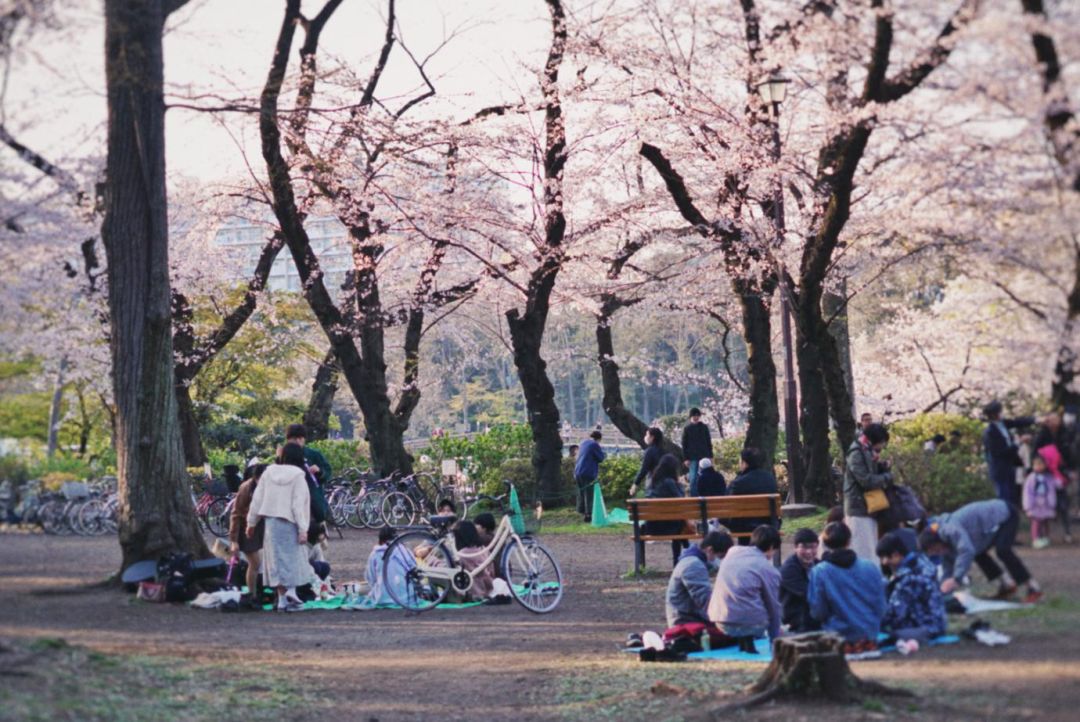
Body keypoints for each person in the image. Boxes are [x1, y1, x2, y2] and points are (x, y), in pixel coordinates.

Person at [919, 498, 1043, 604]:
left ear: (937, 541)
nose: (938, 553)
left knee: (1003, 550)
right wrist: (942, 592)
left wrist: (956, 579)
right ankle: (1007, 585)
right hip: (986, 529)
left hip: (1005, 514)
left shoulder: (950, 529)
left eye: (936, 550)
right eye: (935, 553)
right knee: (978, 553)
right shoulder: (944, 546)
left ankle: (1033, 587)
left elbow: (966, 551)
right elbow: (948, 570)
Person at [246, 442, 311, 612]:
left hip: (271, 523)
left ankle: (282, 600)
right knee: (292, 559)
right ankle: (291, 592)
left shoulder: (268, 473)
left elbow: (257, 499)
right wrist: (303, 529)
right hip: (291, 522)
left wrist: (251, 523)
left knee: (276, 560)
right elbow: (298, 504)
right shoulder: (298, 476)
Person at [808, 522, 886, 655]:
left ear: (825, 543)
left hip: (838, 639)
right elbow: (881, 606)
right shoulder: (870, 566)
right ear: (849, 541)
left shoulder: (820, 572)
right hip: (869, 637)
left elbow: (818, 612)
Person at [707, 525, 783, 643]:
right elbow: (773, 606)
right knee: (768, 612)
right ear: (772, 546)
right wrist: (775, 637)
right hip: (749, 625)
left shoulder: (733, 552)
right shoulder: (767, 568)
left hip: (718, 618)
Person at [876, 531, 946, 644]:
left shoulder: (909, 577)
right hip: (937, 621)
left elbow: (895, 613)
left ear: (896, 554)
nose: (884, 563)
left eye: (885, 557)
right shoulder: (921, 562)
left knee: (888, 636)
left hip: (927, 627)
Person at [843, 422, 893, 563]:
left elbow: (869, 470)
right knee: (863, 550)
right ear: (875, 440)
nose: (882, 446)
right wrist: (887, 477)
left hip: (868, 506)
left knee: (871, 548)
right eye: (882, 442)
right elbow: (866, 480)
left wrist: (882, 466)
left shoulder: (865, 449)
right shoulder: (856, 452)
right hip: (858, 509)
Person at [665, 530, 734, 627]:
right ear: (710, 550)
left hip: (688, 616)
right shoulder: (694, 565)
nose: (721, 561)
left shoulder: (693, 559)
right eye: (721, 557)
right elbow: (705, 602)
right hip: (684, 621)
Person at [981, 401, 1034, 505]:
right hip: (1000, 470)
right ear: (994, 415)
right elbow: (1001, 452)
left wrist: (1035, 420)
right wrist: (1019, 442)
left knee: (1012, 497)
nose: (1002, 413)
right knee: (1004, 499)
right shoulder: (990, 433)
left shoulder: (1002, 424)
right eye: (1000, 411)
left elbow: (1017, 422)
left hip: (1010, 466)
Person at [229, 463, 267, 600]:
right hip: (246, 528)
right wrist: (233, 540)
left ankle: (257, 592)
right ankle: (252, 595)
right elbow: (236, 513)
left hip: (260, 526)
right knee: (255, 563)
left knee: (260, 563)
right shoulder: (246, 488)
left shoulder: (268, 487)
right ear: (257, 477)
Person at [1034, 412, 1074, 543]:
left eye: (1055, 419)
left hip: (1061, 474)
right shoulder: (1042, 435)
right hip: (1045, 473)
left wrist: (1069, 469)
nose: (1053, 422)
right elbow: (1035, 453)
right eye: (1050, 419)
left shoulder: (1066, 434)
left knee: (1063, 504)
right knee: (1042, 503)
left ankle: (1067, 532)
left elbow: (1071, 453)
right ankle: (1042, 534)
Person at [643, 453, 688, 565]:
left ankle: (686, 554)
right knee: (680, 528)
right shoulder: (670, 483)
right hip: (670, 527)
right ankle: (682, 558)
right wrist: (681, 485)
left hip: (652, 527)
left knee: (679, 526)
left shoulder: (653, 482)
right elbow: (681, 499)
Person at [726, 447, 778, 542]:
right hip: (769, 522)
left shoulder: (738, 483)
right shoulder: (770, 478)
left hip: (743, 526)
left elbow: (727, 504)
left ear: (745, 463)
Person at [780, 528, 821, 634]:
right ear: (795, 548)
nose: (809, 552)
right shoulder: (788, 569)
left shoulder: (819, 565)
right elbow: (809, 594)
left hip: (814, 617)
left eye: (813, 547)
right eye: (804, 547)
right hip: (796, 620)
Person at [364, 526, 415, 606]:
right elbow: (414, 569)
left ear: (380, 540)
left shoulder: (375, 554)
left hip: (382, 599)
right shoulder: (404, 550)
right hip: (406, 598)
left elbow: (371, 578)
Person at [451, 520, 495, 601]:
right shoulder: (482, 548)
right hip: (489, 585)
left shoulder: (463, 554)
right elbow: (492, 570)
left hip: (475, 590)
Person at [1022, 452, 1057, 550]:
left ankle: (1046, 537)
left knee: (1046, 521)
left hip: (1046, 502)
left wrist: (1052, 502)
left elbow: (1051, 490)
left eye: (1040, 464)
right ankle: (1035, 538)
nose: (1038, 467)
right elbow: (1028, 492)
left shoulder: (1048, 478)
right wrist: (1028, 503)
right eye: (1036, 464)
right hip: (1035, 503)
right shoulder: (1031, 478)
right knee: (1036, 521)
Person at [574, 430, 606, 522]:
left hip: (577, 471)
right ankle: (588, 515)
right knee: (589, 494)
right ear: (599, 439)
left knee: (581, 493)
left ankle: (581, 511)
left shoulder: (583, 443)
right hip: (588, 472)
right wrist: (604, 454)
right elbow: (600, 458)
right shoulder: (595, 445)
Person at [681, 408, 713, 497]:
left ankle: (705, 494)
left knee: (705, 476)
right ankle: (694, 496)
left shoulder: (704, 427)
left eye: (697, 415)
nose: (696, 417)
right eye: (694, 416)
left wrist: (711, 456)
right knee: (693, 477)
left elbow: (708, 442)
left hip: (704, 455)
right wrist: (686, 458)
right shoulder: (687, 429)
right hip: (692, 457)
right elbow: (684, 444)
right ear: (690, 417)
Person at [628, 427, 665, 498]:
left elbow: (644, 469)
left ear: (652, 437)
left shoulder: (650, 451)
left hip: (653, 484)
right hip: (664, 485)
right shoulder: (664, 451)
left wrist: (635, 484)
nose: (645, 437)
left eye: (647, 435)